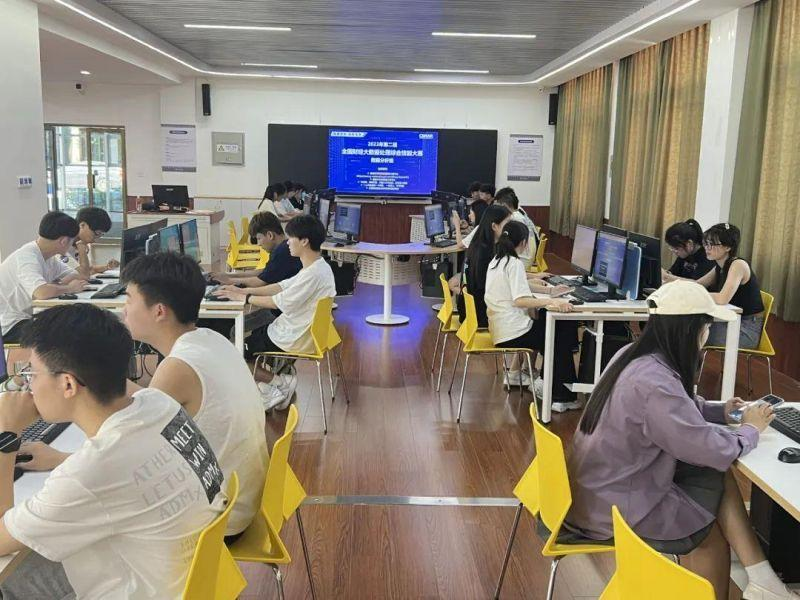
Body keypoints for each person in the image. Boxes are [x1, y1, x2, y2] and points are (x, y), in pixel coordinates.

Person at [565, 280, 797, 600]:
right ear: (692, 330)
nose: (707, 334)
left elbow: (674, 408)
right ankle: (760, 583)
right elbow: (710, 449)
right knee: (707, 532)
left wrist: (722, 411)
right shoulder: (655, 382)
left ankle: (763, 580)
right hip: (616, 506)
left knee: (714, 476)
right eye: (707, 326)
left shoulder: (633, 356)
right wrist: (751, 429)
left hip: (601, 489)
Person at [21, 253, 269, 538]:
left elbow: (128, 449)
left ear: (159, 311)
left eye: (129, 300)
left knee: (87, 520)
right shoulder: (210, 340)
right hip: (242, 498)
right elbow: (149, 403)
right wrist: (94, 370)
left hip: (222, 521)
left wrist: (58, 458)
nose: (123, 310)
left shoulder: (178, 368)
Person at [0, 304, 226, 599]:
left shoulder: (86, 474)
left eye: (31, 374)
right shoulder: (159, 404)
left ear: (68, 383)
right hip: (202, 581)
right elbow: (117, 471)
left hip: (150, 589)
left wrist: (8, 434)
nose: (27, 385)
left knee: (9, 578)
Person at [215, 215, 336, 410]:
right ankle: (273, 385)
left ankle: (279, 384)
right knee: (250, 339)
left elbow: (277, 301)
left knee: (234, 352)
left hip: (293, 336)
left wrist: (244, 298)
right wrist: (243, 291)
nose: (287, 243)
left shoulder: (313, 274)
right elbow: (280, 286)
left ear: (304, 241)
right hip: (299, 331)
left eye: (291, 238)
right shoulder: (318, 267)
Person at [485, 221, 578, 398]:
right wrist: (552, 302)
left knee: (551, 323)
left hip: (501, 329)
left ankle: (550, 384)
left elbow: (518, 285)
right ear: (524, 243)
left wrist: (550, 292)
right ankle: (558, 393)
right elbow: (520, 300)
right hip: (513, 333)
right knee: (561, 330)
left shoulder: (497, 260)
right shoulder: (514, 263)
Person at [664, 223, 764, 349]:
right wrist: (675, 287)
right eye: (706, 243)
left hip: (745, 329)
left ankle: (683, 362)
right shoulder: (719, 265)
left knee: (688, 331)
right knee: (681, 326)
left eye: (712, 244)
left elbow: (722, 298)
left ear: (728, 247)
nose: (707, 248)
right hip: (729, 320)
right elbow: (697, 284)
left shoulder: (738, 265)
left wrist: (692, 295)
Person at [0, 211, 88, 345]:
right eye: (72, 241)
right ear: (64, 241)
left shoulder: (49, 257)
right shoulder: (27, 257)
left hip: (28, 316)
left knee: (75, 325)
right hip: (10, 325)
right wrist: (69, 288)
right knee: (67, 336)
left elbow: (79, 275)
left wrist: (58, 284)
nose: (72, 245)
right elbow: (41, 292)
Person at [454, 204, 512, 329]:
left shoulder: (479, 245)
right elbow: (493, 286)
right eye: (507, 224)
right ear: (494, 226)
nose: (511, 228)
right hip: (481, 316)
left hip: (471, 312)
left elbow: (503, 274)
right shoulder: (485, 253)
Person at [67, 206, 118, 278]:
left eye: (101, 234)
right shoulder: (64, 245)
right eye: (97, 233)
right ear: (82, 225)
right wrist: (82, 249)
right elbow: (84, 275)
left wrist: (107, 267)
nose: (96, 239)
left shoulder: (82, 244)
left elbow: (89, 269)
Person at [494, 187, 539, 268]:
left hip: (523, 257)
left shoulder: (514, 218)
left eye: (498, 206)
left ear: (504, 205)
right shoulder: (519, 212)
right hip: (529, 254)